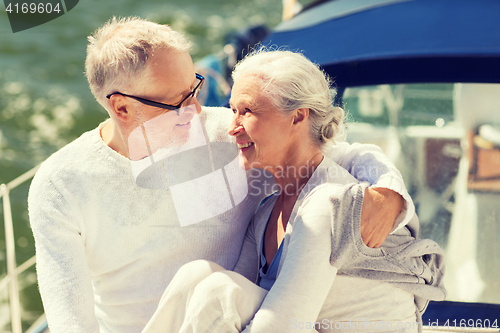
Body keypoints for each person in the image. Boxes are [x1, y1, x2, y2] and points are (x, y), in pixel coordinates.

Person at [29, 17, 414, 332]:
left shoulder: (233, 133)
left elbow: (330, 152)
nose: (197, 110)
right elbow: (71, 325)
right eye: (178, 101)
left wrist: (389, 193)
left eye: (194, 88)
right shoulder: (61, 184)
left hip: (230, 317)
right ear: (123, 109)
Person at [142, 50, 445, 333]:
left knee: (218, 292)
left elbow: (282, 327)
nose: (233, 127)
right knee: (196, 275)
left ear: (298, 118)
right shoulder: (266, 213)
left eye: (247, 111)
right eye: (233, 110)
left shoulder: (329, 202)